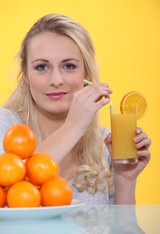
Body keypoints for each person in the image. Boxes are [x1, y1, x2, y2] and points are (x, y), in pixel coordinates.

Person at [0, 13, 151, 204]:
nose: (56, 80)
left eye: (69, 66)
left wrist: (125, 179)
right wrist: (73, 126)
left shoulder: (105, 146)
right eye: (41, 67)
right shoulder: (6, 127)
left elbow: (124, 232)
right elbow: (15, 189)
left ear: (86, 73)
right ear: (26, 74)